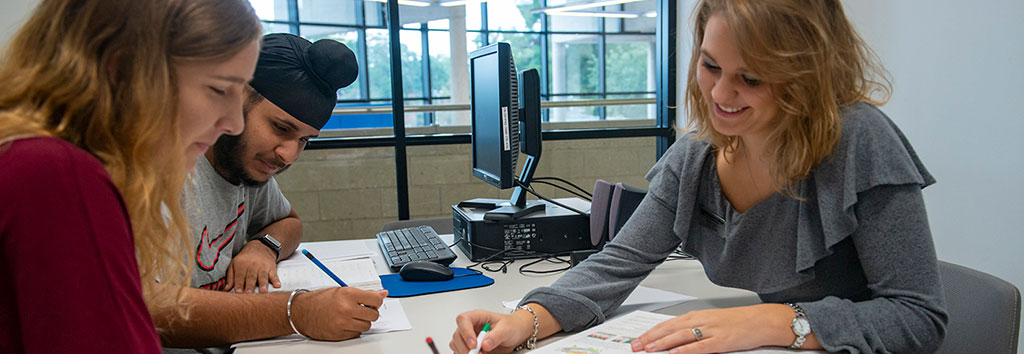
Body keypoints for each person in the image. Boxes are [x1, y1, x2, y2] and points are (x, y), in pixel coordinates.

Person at [450, 0, 947, 353]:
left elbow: (918, 319)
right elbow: (618, 263)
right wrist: (527, 320)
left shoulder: (860, 140)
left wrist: (775, 321)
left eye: (751, 78)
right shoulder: (696, 157)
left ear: (807, 76)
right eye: (711, 66)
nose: (721, 95)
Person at [0, 0, 261, 353]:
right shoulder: (59, 176)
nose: (235, 123)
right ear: (124, 69)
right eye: (218, 89)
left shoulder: (27, 156)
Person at [158, 33, 386, 353]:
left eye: (305, 140)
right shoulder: (159, 170)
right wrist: (296, 312)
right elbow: (146, 306)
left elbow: (289, 222)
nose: (289, 155)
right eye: (281, 128)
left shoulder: (244, 167)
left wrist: (264, 246)